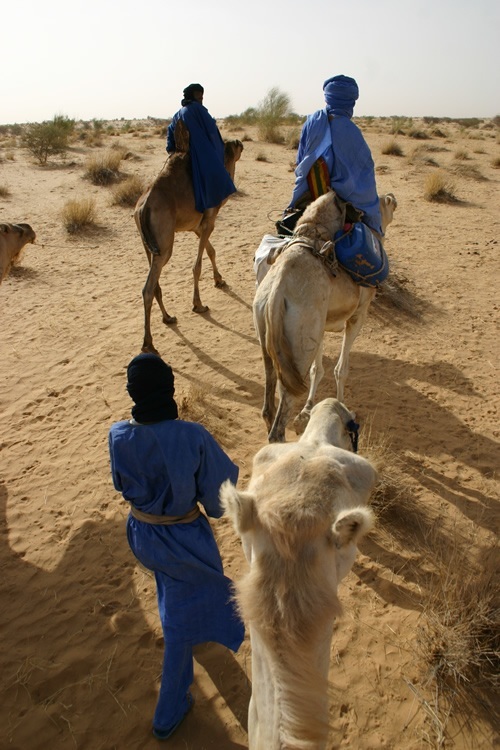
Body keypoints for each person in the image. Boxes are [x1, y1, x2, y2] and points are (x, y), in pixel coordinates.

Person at [108, 353, 244, 741]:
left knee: (172, 586)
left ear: (133, 393)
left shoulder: (117, 434)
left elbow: (121, 486)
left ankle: (186, 621)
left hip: (142, 536)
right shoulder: (193, 436)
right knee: (185, 618)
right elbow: (219, 502)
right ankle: (169, 710)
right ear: (168, 389)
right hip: (182, 539)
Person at [287, 75, 383, 235]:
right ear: (351, 102)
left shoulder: (312, 122)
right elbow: (365, 183)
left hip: (308, 196)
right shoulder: (352, 132)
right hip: (343, 204)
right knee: (375, 243)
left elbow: (300, 162)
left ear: (328, 98)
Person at [166, 83, 236, 214]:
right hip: (197, 153)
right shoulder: (198, 110)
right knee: (219, 176)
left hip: (180, 155)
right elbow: (212, 131)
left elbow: (170, 133)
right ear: (194, 96)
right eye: (199, 97)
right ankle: (208, 210)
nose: (201, 100)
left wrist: (171, 151)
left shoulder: (177, 114)